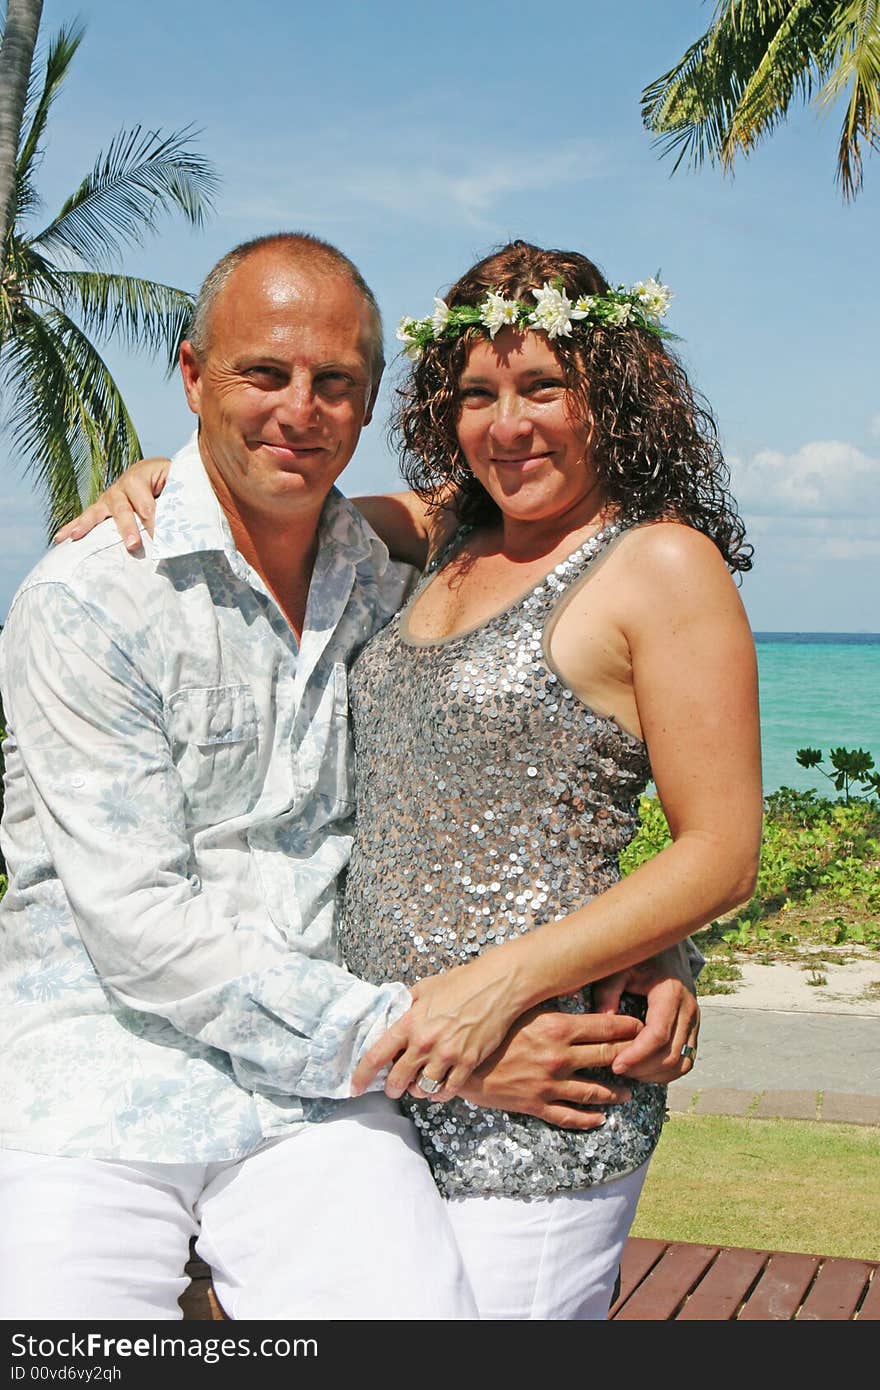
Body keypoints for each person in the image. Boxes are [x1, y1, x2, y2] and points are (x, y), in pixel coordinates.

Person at [0, 232, 701, 1322]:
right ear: (192, 375)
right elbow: (141, 925)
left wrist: (653, 940)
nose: (299, 408)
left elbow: (536, 766)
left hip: (308, 1108)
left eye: (335, 383)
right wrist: (444, 1056)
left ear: (372, 402)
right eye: (262, 373)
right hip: (104, 1088)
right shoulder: (94, 598)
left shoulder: (385, 577)